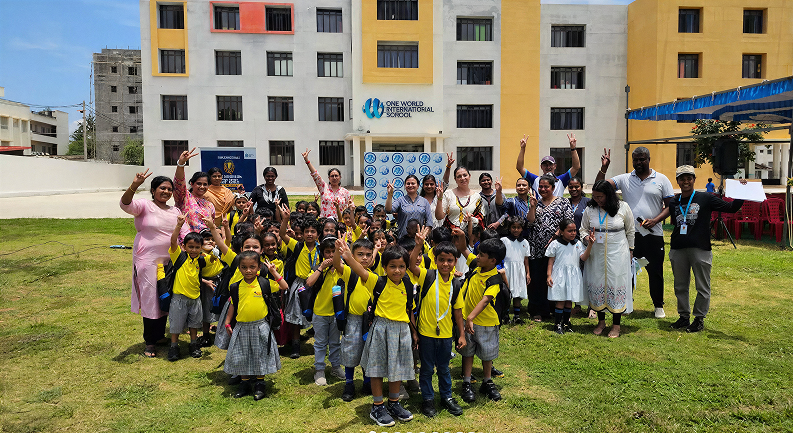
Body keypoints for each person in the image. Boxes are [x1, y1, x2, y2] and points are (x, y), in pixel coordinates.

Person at [342, 244, 418, 427]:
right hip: (381, 329)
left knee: (397, 368)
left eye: (401, 266)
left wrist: (414, 332)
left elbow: (409, 310)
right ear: (384, 267)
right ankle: (377, 406)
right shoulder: (377, 282)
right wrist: (348, 257)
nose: (397, 270)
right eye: (392, 266)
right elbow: (360, 271)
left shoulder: (408, 285)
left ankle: (394, 403)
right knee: (376, 369)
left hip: (402, 330)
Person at [596, 147, 673, 319]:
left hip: (653, 234)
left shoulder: (661, 179)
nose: (638, 162)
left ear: (649, 159)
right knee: (627, 271)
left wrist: (655, 220)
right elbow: (599, 188)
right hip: (630, 235)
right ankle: (625, 304)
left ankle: (658, 306)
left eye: (642, 159)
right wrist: (604, 168)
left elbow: (670, 206)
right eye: (635, 159)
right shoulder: (625, 179)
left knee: (655, 271)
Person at [668, 166, 745, 333]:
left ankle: (699, 319)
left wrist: (741, 191)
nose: (686, 181)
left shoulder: (705, 198)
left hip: (700, 248)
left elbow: (731, 208)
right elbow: (676, 223)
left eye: (689, 178)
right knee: (680, 286)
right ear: (678, 181)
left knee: (702, 286)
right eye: (682, 179)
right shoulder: (674, 201)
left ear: (694, 180)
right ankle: (683, 316)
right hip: (678, 248)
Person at [120, 170, 188, 358]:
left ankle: (159, 336)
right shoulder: (144, 206)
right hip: (147, 259)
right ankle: (150, 341)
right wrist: (134, 185)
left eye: (169, 189)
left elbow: (185, 232)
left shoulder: (175, 211)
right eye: (162, 188)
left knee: (165, 295)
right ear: (153, 190)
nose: (166, 192)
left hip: (170, 260)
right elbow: (125, 204)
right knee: (150, 297)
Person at [407, 235, 466, 418]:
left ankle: (446, 397)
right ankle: (428, 398)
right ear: (435, 259)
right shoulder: (428, 276)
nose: (445, 264)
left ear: (455, 261)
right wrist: (418, 246)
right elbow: (411, 265)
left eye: (450, 260)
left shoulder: (456, 284)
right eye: (441, 260)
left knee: (444, 368)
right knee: (426, 369)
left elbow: (458, 312)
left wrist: (461, 335)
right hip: (426, 334)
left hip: (446, 335)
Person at [223, 251, 287, 400]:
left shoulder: (264, 283)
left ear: (259, 267)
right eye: (244, 267)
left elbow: (284, 286)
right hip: (242, 327)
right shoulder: (236, 286)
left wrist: (273, 272)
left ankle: (260, 384)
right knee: (242, 355)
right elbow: (233, 304)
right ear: (239, 268)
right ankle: (244, 383)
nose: (248, 270)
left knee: (260, 355)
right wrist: (227, 322)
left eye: (252, 267)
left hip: (260, 326)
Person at [580, 180, 635, 338]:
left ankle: (616, 325)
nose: (597, 200)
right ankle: (601, 322)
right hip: (596, 254)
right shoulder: (590, 209)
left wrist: (631, 250)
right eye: (595, 197)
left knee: (615, 284)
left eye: (600, 197)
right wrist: (587, 239)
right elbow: (583, 229)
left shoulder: (623, 207)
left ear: (609, 195)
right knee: (598, 283)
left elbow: (630, 230)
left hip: (618, 253)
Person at [167, 214, 224, 361]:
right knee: (176, 324)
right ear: (184, 247)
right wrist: (179, 225)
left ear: (201, 248)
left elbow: (212, 260)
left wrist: (214, 252)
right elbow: (173, 241)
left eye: (197, 247)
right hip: (179, 298)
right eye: (190, 247)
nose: (193, 250)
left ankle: (193, 344)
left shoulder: (200, 260)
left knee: (194, 323)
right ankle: (174, 346)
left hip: (196, 298)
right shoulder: (179, 257)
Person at [456, 238, 507, 403]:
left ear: (492, 260)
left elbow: (485, 300)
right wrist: (461, 238)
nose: (477, 256)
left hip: (487, 323)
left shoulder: (495, 279)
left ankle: (487, 381)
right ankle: (467, 381)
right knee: (468, 352)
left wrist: (471, 317)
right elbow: (465, 251)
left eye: (481, 255)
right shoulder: (476, 266)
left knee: (487, 354)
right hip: (467, 320)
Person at [526, 175, 574, 322]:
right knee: (538, 280)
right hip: (537, 248)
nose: (543, 189)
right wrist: (532, 207)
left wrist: (555, 236)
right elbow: (530, 222)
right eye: (540, 186)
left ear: (553, 188)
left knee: (556, 279)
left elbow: (568, 221)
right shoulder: (536, 202)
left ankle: (555, 309)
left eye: (546, 186)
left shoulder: (563, 202)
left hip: (557, 248)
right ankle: (538, 311)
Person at [304, 237, 348, 386]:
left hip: (337, 313)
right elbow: (309, 283)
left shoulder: (343, 269)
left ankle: (335, 366)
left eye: (334, 251)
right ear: (322, 254)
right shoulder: (319, 268)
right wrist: (321, 268)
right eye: (327, 252)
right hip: (320, 312)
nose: (331, 255)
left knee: (335, 342)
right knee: (320, 343)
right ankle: (319, 370)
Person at [335, 237, 375, 402]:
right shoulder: (350, 273)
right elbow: (337, 265)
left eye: (368, 254)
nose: (364, 258)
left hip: (370, 321)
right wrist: (338, 252)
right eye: (360, 254)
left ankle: (367, 382)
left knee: (368, 352)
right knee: (350, 351)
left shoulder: (374, 276)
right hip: (353, 320)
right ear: (352, 255)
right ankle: (349, 383)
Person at [546, 219, 594, 334]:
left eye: (574, 230)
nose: (573, 233)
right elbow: (551, 261)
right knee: (560, 299)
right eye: (569, 231)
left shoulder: (578, 244)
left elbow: (584, 258)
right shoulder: (555, 244)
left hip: (573, 276)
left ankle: (566, 323)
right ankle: (557, 324)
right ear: (561, 231)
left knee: (569, 300)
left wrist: (590, 245)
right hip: (559, 275)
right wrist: (548, 275)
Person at [516, 133, 581, 197]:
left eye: (550, 164)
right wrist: (522, 148)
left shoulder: (561, 180)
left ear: (555, 166)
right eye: (545, 165)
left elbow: (576, 167)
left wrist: (573, 148)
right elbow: (520, 168)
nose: (548, 167)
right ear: (541, 167)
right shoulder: (535, 180)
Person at [173, 148, 215, 236]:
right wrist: (181, 164)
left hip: (204, 241)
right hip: (186, 240)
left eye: (205, 184)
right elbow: (179, 182)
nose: (202, 187)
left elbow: (212, 227)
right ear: (192, 184)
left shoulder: (210, 205)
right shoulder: (185, 197)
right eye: (199, 183)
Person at [301, 149, 351, 219]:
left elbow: (349, 209)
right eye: (332, 176)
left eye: (336, 176)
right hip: (324, 221)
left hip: (339, 222)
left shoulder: (345, 192)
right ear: (329, 178)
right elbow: (315, 175)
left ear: (340, 177)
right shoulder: (324, 187)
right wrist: (307, 160)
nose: (334, 178)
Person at [500, 216, 531, 324]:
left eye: (518, 227)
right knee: (507, 292)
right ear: (509, 228)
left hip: (519, 270)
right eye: (513, 227)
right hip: (507, 269)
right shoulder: (504, 241)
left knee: (518, 292)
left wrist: (528, 273)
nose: (516, 230)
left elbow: (526, 259)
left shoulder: (525, 242)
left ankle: (517, 316)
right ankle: (506, 315)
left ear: (522, 228)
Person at [435, 166, 486, 231]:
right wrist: (439, 199)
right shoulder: (448, 194)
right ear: (455, 179)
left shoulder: (477, 197)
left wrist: (471, 219)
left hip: (470, 234)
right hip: (451, 233)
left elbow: (481, 218)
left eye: (465, 175)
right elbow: (439, 217)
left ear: (469, 176)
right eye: (459, 176)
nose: (462, 178)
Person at [386, 174, 434, 239]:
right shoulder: (400, 200)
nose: (410, 185)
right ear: (405, 186)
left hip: (419, 239)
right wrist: (390, 194)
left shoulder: (424, 201)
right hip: (403, 239)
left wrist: (423, 236)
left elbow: (429, 222)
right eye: (408, 184)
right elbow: (388, 210)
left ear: (418, 186)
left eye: (413, 183)